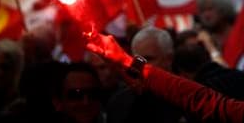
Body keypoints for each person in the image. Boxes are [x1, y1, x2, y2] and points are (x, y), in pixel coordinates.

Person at [86, 33, 244, 122]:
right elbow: (202, 99)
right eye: (138, 59)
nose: (141, 64)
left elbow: (200, 100)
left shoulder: (220, 82)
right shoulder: (120, 102)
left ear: (169, 58)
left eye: (149, 58)